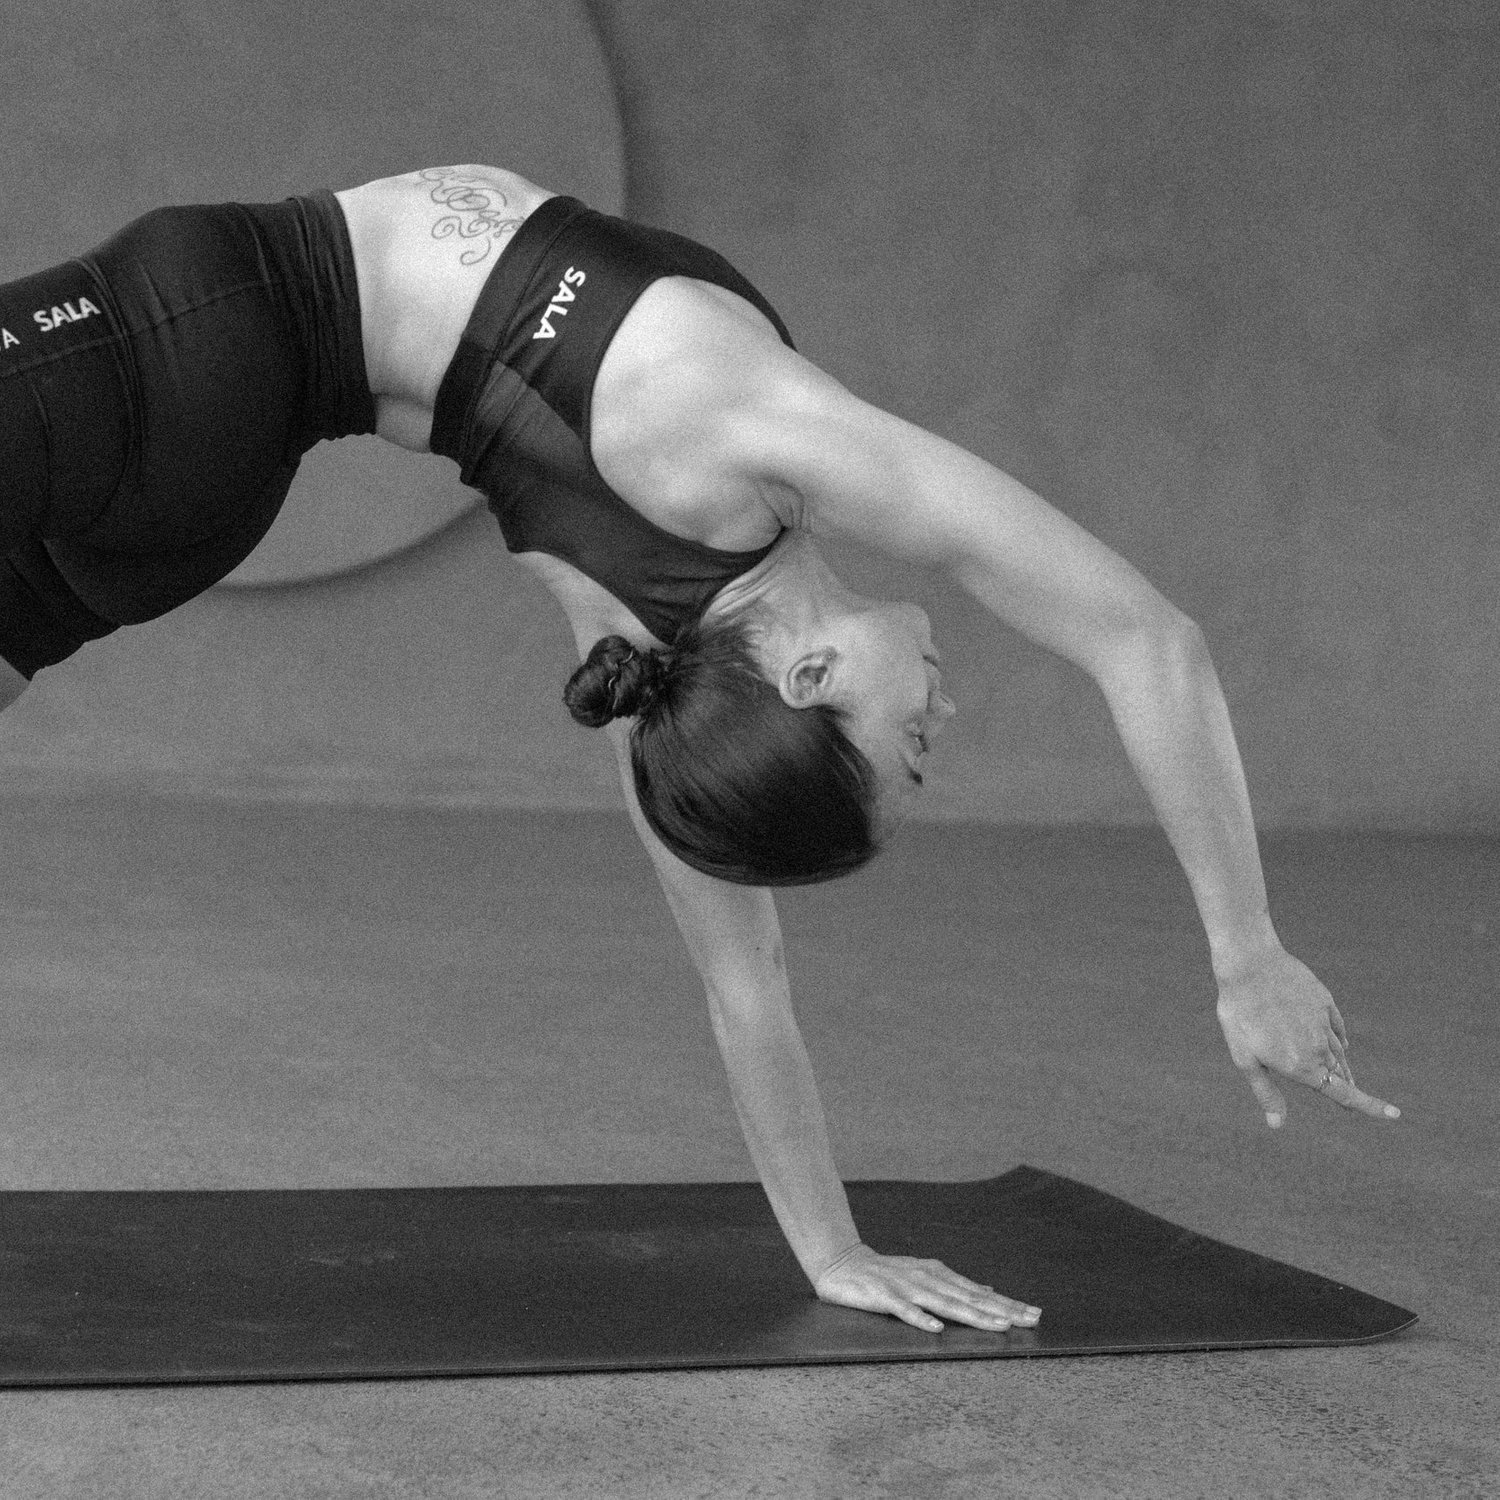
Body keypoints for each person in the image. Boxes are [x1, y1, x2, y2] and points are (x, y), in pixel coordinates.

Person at [0, 164, 1400, 1337]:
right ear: (803, 673)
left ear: (810, 677)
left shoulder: (705, 563)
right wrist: (1244, 952)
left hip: (202, 339)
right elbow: (1139, 639)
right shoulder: (660, 636)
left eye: (913, 750)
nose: (942, 722)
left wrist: (840, 1254)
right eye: (919, 753)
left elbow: (755, 983)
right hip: (213, 459)